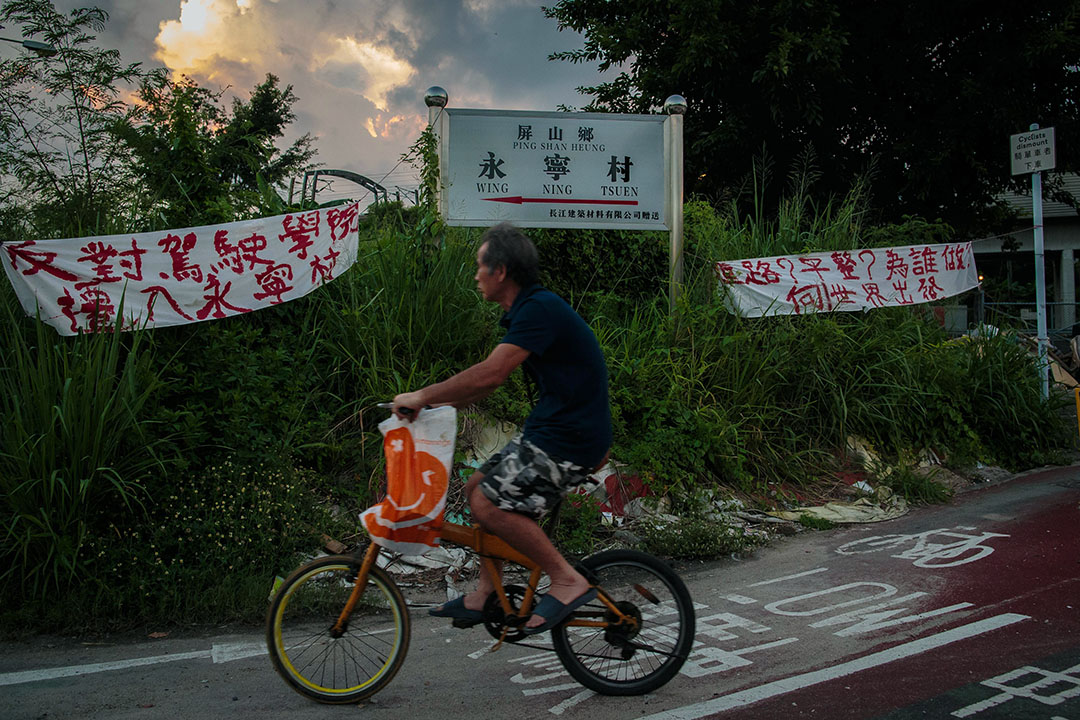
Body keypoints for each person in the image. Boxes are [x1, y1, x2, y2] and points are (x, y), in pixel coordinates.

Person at [392, 222, 612, 634]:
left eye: (480, 265)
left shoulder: (538, 309)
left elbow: (490, 375)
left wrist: (422, 395)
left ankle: (565, 578)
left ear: (501, 271)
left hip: (572, 437)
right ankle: (487, 591)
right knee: (477, 487)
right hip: (553, 430)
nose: (475, 274)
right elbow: (480, 384)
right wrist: (429, 404)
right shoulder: (526, 312)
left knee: (489, 504)